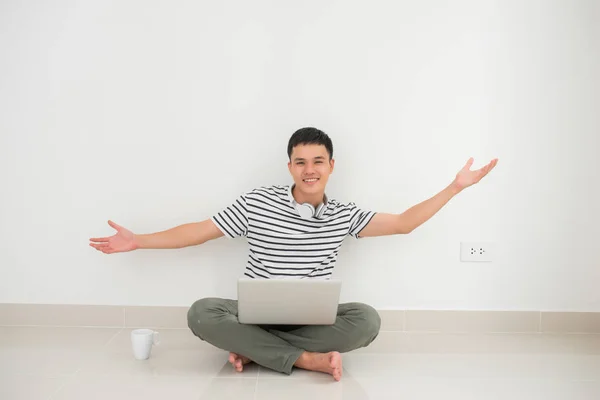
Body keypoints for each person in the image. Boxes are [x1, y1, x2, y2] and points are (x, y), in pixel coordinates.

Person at [89, 127, 498, 381]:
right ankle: (305, 360)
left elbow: (405, 222)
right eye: (300, 162)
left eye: (318, 161)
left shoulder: (344, 214)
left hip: (311, 319)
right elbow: (199, 231)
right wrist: (139, 239)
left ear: (331, 166)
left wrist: (455, 187)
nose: (309, 169)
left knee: (367, 320)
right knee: (202, 312)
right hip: (254, 311)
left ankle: (255, 350)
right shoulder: (258, 202)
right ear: (289, 167)